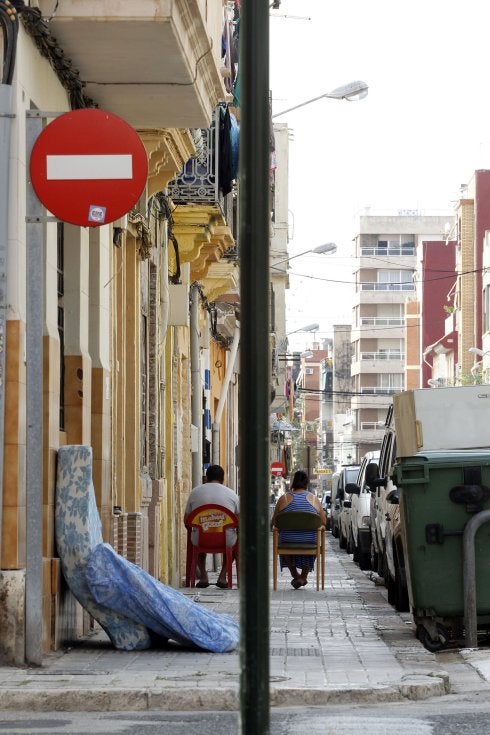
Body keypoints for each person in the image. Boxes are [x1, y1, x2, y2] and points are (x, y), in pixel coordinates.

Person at [184, 464, 239, 589]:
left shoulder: (195, 493)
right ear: (223, 479)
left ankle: (203, 576)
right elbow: (239, 520)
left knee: (197, 536)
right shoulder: (232, 494)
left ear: (206, 477)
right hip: (225, 540)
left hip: (200, 539)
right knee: (235, 544)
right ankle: (222, 576)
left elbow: (186, 520)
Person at [272, 469, 326, 589]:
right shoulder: (314, 499)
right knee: (314, 537)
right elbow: (323, 522)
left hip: (287, 541)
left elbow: (275, 522)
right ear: (306, 483)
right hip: (310, 541)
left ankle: (295, 574)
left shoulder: (283, 499)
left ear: (293, 482)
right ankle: (303, 577)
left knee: (282, 537)